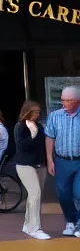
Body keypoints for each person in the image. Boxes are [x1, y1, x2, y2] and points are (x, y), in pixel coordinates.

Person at [45, 85, 80, 237]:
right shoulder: (55, 116)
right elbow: (50, 137)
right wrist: (49, 159)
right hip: (62, 160)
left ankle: (78, 222)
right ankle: (71, 221)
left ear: (77, 101)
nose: (64, 103)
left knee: (78, 193)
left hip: (79, 161)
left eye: (68, 101)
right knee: (63, 193)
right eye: (63, 100)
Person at [14, 100, 50, 240]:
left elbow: (44, 144)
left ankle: (28, 224)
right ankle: (35, 228)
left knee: (35, 196)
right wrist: (33, 134)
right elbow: (22, 145)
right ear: (27, 112)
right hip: (24, 164)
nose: (36, 115)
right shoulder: (20, 126)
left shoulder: (40, 126)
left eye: (38, 112)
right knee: (35, 193)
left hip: (40, 164)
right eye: (34, 112)